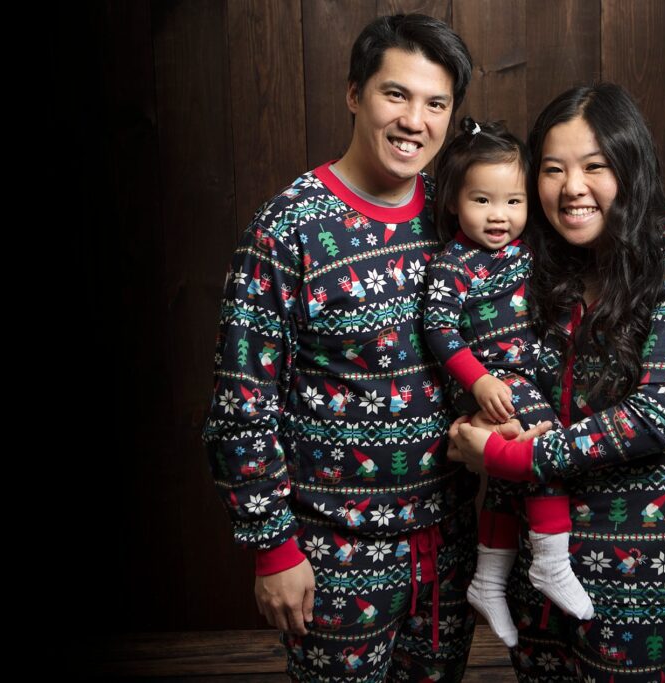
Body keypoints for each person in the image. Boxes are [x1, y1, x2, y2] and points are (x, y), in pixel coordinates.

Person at [201, 14, 498, 682]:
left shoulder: (457, 215)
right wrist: (273, 546)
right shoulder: (289, 230)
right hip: (335, 556)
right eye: (396, 94)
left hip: (445, 549)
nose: (414, 120)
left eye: (436, 103)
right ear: (355, 93)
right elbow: (238, 404)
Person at [447, 83, 665, 682]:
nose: (571, 187)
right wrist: (479, 418)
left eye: (595, 166)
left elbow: (657, 416)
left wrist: (513, 455)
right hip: (537, 575)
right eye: (553, 169)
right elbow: (502, 373)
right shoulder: (536, 268)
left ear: (631, 168)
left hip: (642, 578)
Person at [422, 116, 594, 648]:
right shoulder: (455, 264)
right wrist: (477, 384)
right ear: (454, 202)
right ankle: (549, 561)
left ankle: (489, 580)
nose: (500, 217)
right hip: (491, 381)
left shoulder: (525, 251)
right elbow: (439, 328)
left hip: (525, 377)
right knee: (541, 449)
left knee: (506, 475)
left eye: (514, 202)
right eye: (482, 201)